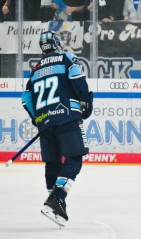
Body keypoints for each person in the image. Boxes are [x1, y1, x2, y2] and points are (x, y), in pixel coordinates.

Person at [21, 31, 93, 226]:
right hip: (66, 116)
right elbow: (78, 79)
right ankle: (58, 198)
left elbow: (25, 98)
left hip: (46, 122)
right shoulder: (66, 57)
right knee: (74, 158)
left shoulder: (35, 69)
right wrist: (86, 101)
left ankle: (52, 202)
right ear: (58, 44)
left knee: (52, 162)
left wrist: (38, 119)